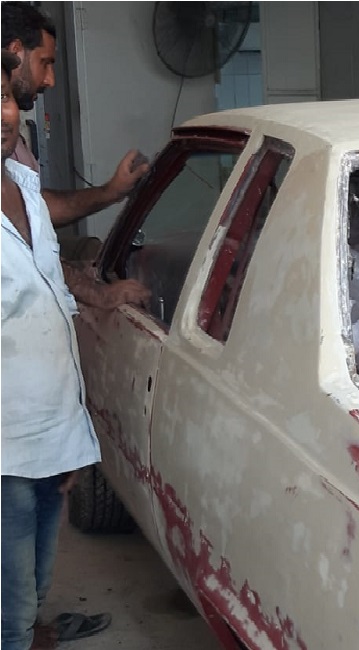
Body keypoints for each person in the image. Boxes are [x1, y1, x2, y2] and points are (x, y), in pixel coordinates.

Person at [1, 52, 147, 650]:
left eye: (3, 99)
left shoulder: (22, 187)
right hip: (5, 440)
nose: (4, 115)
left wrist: (101, 294)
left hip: (50, 421)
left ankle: (29, 630)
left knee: (36, 567)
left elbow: (48, 269)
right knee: (10, 589)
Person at [2, 2, 148, 228]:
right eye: (45, 63)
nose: (51, 80)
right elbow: (30, 211)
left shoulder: (14, 141)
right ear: (16, 52)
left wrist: (113, 190)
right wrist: (110, 192)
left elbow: (32, 207)